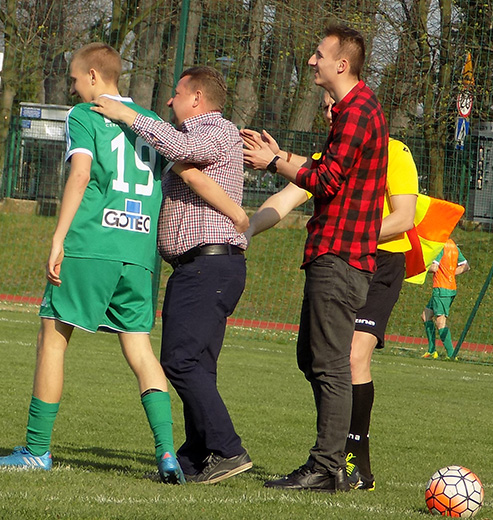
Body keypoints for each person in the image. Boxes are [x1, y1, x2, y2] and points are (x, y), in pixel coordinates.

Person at [0, 43, 188, 484]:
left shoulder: (85, 116)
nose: (74, 89)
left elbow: (80, 174)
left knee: (53, 338)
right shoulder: (153, 123)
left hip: (91, 243)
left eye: (76, 81)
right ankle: (167, 453)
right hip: (139, 254)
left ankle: (37, 450)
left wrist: (58, 238)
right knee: (139, 350)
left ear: (95, 77)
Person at [245, 90, 419, 492]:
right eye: (325, 109)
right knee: (314, 358)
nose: (329, 114)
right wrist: (248, 228)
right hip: (343, 257)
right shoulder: (331, 157)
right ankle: (337, 460)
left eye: (333, 108)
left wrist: (353, 234)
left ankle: (351, 463)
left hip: (380, 261)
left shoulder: (394, 152)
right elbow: (287, 197)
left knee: (353, 355)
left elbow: (404, 218)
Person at [92, 66, 252, 484]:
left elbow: (180, 146)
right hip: (202, 266)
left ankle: (229, 449)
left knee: (179, 362)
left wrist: (129, 116)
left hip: (208, 264)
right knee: (198, 364)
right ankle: (197, 457)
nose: (169, 100)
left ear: (197, 98)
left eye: (177, 93)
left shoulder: (215, 129)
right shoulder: (197, 140)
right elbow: (181, 159)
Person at [421, 238, 470, 359]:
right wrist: (450, 273)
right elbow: (466, 266)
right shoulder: (453, 245)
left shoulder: (440, 245)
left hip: (441, 289)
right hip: (449, 287)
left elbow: (434, 268)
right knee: (426, 315)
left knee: (440, 321)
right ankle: (432, 351)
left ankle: (451, 354)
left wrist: (419, 267)